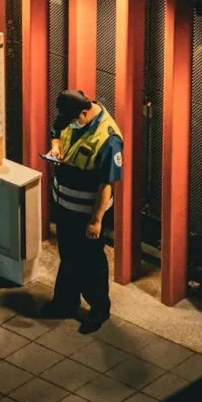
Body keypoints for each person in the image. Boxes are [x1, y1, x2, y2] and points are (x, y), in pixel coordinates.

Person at [42, 90, 124, 334]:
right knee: (68, 256)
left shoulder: (108, 139)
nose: (71, 123)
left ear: (85, 112)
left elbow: (106, 185)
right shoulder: (71, 115)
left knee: (91, 262)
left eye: (75, 119)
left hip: (87, 215)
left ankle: (100, 309)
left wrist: (96, 221)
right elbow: (56, 131)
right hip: (66, 207)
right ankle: (65, 302)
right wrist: (55, 148)